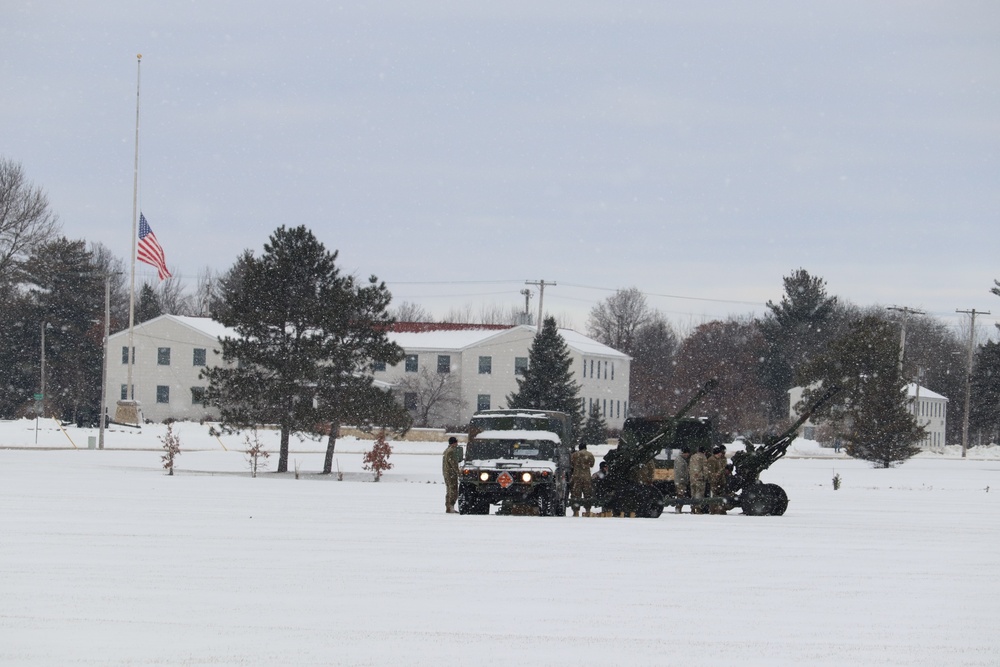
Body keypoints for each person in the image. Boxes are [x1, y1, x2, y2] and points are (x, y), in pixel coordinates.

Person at [569, 443, 596, 516]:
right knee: (587, 495)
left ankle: (575, 511)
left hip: (576, 477)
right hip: (586, 477)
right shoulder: (589, 454)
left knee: (576, 495)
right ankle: (587, 510)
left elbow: (571, 465)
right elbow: (592, 464)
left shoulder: (574, 455)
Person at [707, 445, 728, 514]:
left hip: (720, 481)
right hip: (715, 481)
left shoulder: (718, 459)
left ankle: (720, 509)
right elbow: (711, 472)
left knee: (720, 495)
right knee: (715, 496)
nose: (721, 454)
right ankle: (714, 510)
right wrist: (717, 475)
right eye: (719, 453)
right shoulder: (712, 460)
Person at [688, 445, 708, 514]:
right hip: (700, 478)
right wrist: (705, 477)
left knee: (693, 493)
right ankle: (698, 508)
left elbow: (690, 467)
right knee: (699, 493)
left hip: (692, 477)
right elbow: (705, 468)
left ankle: (692, 508)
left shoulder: (692, 456)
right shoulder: (703, 457)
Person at [442, 436, 460, 513]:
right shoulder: (451, 451)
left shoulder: (446, 450)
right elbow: (453, 464)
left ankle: (448, 507)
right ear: (454, 443)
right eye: (456, 442)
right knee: (453, 490)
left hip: (446, 473)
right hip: (451, 474)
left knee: (449, 490)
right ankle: (451, 506)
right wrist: (459, 472)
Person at [673, 446, 690, 513]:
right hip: (680, 481)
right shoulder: (680, 460)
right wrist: (685, 478)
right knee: (680, 495)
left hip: (680, 480)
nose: (688, 455)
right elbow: (680, 471)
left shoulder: (681, 459)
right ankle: (678, 509)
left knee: (680, 495)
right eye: (687, 453)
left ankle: (679, 509)